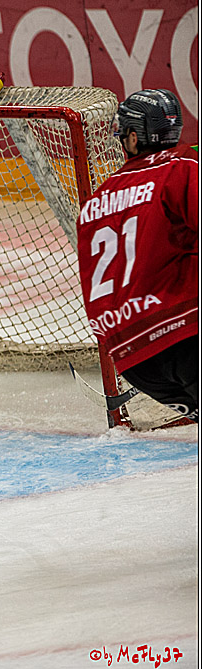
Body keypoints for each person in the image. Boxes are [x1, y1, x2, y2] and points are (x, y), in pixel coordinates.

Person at [77, 88, 198, 422]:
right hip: (186, 335)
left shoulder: (95, 203)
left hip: (134, 362)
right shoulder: (182, 167)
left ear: (132, 137)